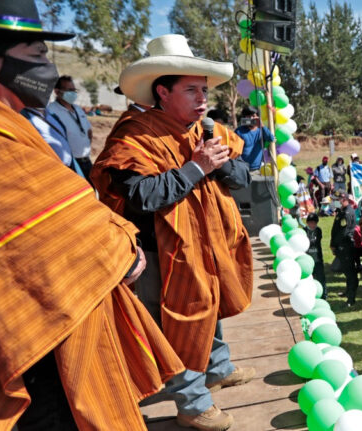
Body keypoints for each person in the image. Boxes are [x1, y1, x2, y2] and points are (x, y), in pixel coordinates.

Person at [0, 2, 183, 429]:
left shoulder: (2, 118)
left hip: (49, 320)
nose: (49, 70)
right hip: (28, 341)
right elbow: (45, 224)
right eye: (36, 55)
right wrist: (122, 249)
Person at [91, 34, 255, 430]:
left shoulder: (205, 129)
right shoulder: (134, 135)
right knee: (177, 324)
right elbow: (141, 197)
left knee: (207, 306)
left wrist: (219, 164)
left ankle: (216, 367)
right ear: (162, 91)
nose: (203, 99)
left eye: (204, 90)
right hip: (158, 254)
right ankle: (193, 404)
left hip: (204, 246)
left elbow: (241, 175)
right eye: (192, 90)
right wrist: (196, 168)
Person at [47, 75, 94, 178]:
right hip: (70, 165)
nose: (72, 93)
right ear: (57, 91)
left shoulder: (78, 109)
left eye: (74, 90)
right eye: (69, 90)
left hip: (87, 161)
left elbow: (89, 131)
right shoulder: (51, 111)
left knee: (92, 191)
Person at [331, 192, 359, 306]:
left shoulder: (347, 213)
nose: (337, 201)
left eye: (339, 199)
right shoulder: (341, 211)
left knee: (350, 273)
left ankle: (351, 299)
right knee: (347, 272)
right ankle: (348, 292)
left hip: (345, 246)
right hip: (341, 246)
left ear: (345, 200)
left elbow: (343, 232)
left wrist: (334, 244)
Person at [235, 106, 273, 172]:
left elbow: (271, 138)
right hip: (242, 169)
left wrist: (262, 125)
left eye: (253, 116)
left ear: (258, 117)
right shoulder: (239, 131)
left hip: (258, 168)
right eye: (248, 116)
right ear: (244, 118)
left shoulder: (262, 130)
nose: (251, 118)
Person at [305, 213, 327, 299]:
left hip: (317, 259)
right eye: (311, 223)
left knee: (321, 278)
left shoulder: (318, 230)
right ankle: (311, 295)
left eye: (314, 223)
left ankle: (324, 295)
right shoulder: (304, 231)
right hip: (308, 260)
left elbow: (316, 241)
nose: (313, 225)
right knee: (310, 279)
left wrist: (308, 242)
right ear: (307, 223)